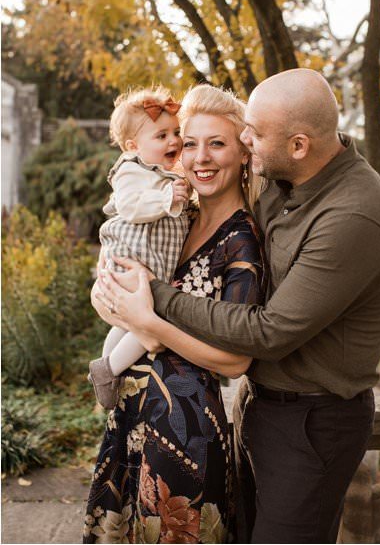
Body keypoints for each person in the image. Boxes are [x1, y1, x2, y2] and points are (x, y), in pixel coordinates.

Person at [94, 68, 380, 543]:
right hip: (255, 409)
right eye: (187, 143)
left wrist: (150, 304)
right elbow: (129, 254)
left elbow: (266, 334)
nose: (246, 139)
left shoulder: (353, 215)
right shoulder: (275, 191)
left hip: (313, 420)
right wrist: (113, 292)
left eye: (251, 136)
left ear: (298, 145)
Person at [85, 84, 265, 543]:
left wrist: (150, 326)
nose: (200, 157)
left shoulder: (240, 242)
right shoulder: (178, 218)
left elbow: (236, 361)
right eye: (189, 143)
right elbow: (123, 279)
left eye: (217, 143)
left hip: (182, 433)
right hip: (133, 415)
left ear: (243, 153)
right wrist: (105, 291)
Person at [87, 88, 193, 410]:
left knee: (127, 324)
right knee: (149, 319)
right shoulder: (131, 170)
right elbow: (131, 206)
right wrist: (167, 199)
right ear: (133, 147)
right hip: (131, 260)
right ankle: (109, 369)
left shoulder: (161, 172)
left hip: (145, 263)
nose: (173, 141)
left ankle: (105, 368)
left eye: (176, 132)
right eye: (161, 135)